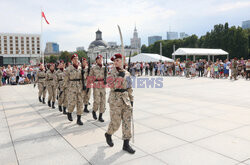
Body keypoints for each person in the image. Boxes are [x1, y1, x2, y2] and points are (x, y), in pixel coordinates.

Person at [105, 53, 135, 154]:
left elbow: (129, 87)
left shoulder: (127, 73)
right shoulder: (110, 73)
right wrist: (120, 78)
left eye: (118, 60)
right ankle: (108, 134)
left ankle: (126, 144)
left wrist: (131, 99)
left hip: (125, 100)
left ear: (122, 61)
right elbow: (112, 86)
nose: (116, 62)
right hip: (115, 100)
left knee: (127, 122)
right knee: (116, 123)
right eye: (115, 61)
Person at [63, 53, 84, 125]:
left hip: (79, 87)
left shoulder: (81, 68)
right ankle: (69, 112)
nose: (76, 60)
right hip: (71, 88)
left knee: (80, 103)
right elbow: (65, 80)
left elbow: (83, 78)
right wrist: (64, 88)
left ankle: (79, 119)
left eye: (77, 59)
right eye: (74, 59)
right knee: (72, 103)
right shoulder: (68, 69)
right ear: (72, 60)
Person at [89, 55, 106, 122]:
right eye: (98, 59)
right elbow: (90, 76)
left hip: (103, 85)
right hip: (96, 85)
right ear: (96, 60)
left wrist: (106, 80)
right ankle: (94, 111)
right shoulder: (93, 68)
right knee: (97, 100)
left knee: (103, 101)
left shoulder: (104, 67)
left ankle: (100, 116)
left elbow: (107, 75)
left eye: (101, 59)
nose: (100, 60)